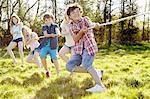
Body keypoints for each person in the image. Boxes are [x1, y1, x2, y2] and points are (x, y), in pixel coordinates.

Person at [66, 4, 106, 92]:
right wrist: (81, 32)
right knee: (69, 66)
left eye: (78, 11)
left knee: (86, 65)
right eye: (73, 12)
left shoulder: (85, 19)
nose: (76, 13)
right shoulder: (71, 26)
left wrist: (96, 25)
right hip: (78, 50)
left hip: (89, 47)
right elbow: (75, 39)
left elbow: (92, 25)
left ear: (81, 12)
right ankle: (97, 72)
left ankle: (100, 86)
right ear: (69, 16)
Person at [40, 13, 60, 78]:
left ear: (52, 19)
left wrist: (57, 34)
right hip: (45, 45)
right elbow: (45, 34)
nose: (47, 21)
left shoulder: (55, 26)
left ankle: (58, 73)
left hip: (53, 45)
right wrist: (51, 35)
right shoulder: (44, 26)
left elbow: (57, 32)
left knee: (54, 58)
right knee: (42, 55)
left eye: (49, 19)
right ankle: (46, 71)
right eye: (46, 20)